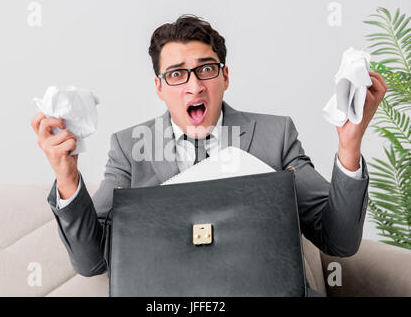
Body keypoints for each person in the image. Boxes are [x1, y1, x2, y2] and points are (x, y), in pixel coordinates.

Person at [30, 15, 387, 295]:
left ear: (225, 76)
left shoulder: (274, 136)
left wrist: (349, 145)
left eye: (206, 69)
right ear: (159, 87)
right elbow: (91, 261)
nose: (194, 85)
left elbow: (339, 240)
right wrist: (67, 176)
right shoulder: (130, 147)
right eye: (176, 74)